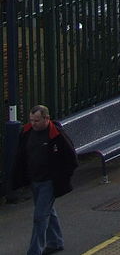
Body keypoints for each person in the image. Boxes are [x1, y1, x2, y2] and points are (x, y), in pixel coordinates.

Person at [13, 103, 77, 255]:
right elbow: (21, 155)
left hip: (48, 181)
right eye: (31, 120)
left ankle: (35, 251)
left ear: (46, 118)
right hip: (34, 180)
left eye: (36, 120)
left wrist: (60, 178)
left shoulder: (57, 135)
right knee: (48, 211)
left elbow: (71, 159)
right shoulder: (27, 131)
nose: (33, 123)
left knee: (40, 217)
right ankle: (55, 242)